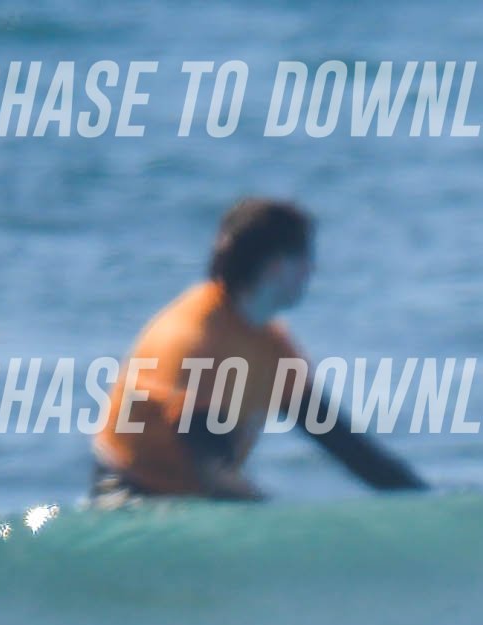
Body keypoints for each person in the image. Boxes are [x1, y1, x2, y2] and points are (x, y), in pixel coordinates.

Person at [91, 198, 423, 501]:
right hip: (129, 500)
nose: (313, 270)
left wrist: (425, 501)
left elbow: (347, 447)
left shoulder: (270, 343)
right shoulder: (195, 340)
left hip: (190, 500)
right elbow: (213, 471)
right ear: (276, 266)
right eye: (306, 258)